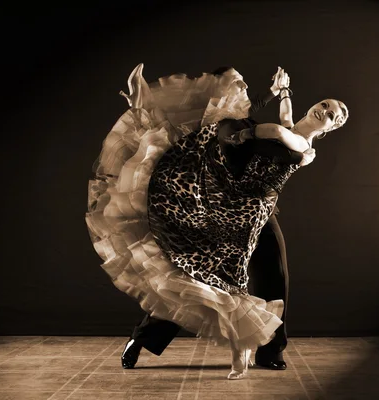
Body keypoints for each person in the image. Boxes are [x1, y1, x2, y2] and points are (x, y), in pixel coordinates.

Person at [86, 63, 348, 379]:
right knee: (194, 277)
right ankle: (142, 339)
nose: (324, 111)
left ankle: (270, 350)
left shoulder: (304, 148)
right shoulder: (291, 124)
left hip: (254, 215)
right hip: (221, 204)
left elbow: (273, 131)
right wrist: (281, 91)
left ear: (333, 128)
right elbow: (283, 118)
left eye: (332, 114)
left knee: (274, 274)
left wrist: (247, 132)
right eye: (324, 104)